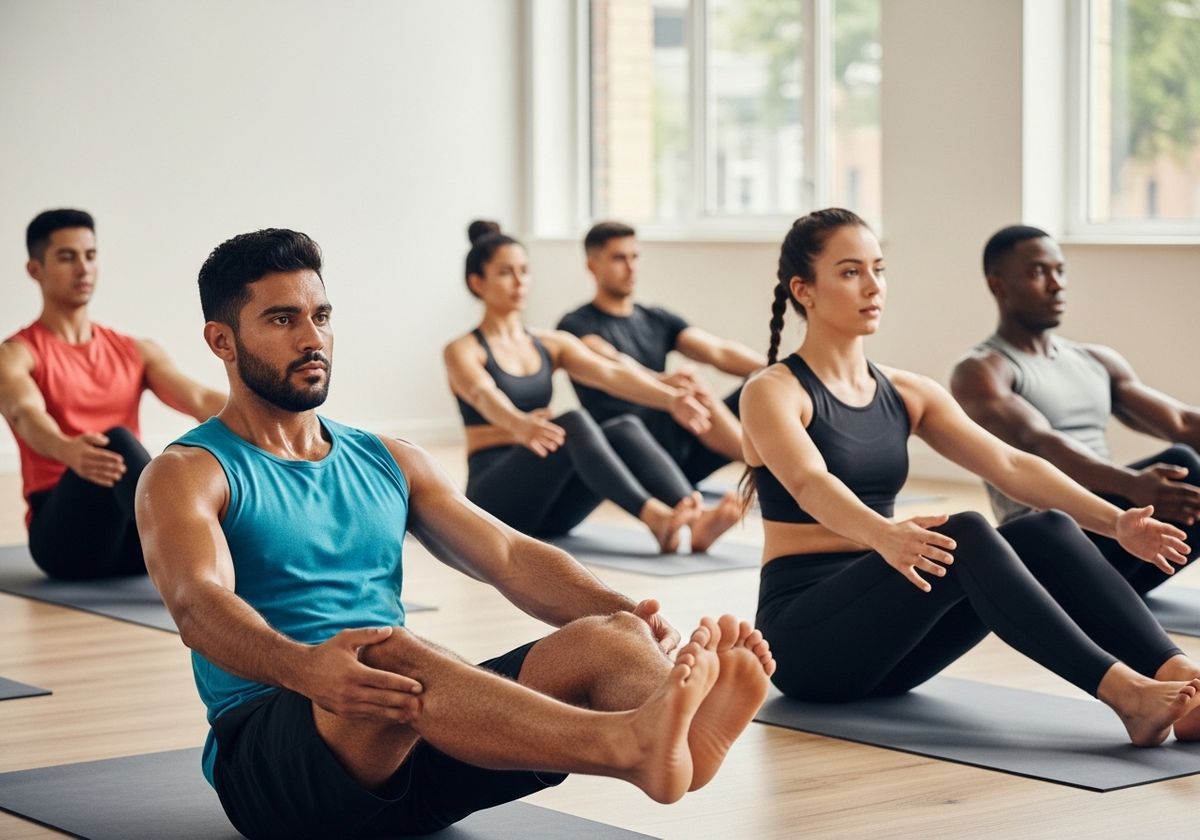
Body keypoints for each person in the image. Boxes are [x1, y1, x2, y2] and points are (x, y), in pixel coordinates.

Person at [135, 228, 774, 840]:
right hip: (279, 768)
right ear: (222, 341)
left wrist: (633, 614)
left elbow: (509, 555)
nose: (312, 338)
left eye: (321, 316)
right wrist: (306, 670)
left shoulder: (388, 458)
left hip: (411, 749)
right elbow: (197, 606)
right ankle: (628, 745)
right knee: (385, 653)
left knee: (611, 637)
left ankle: (675, 736)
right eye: (282, 320)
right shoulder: (189, 471)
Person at [740, 208, 1200, 747]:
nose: (872, 286)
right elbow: (808, 483)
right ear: (804, 290)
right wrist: (884, 534)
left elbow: (1010, 464)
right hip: (806, 645)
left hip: (895, 648)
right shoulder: (772, 391)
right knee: (966, 531)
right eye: (849, 272)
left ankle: (1181, 675)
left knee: (1046, 527)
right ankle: (1127, 695)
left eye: (878, 269)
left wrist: (1116, 522)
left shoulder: (908, 392)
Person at [445, 221, 741, 553]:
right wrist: (519, 424)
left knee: (623, 426)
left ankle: (693, 517)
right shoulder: (463, 350)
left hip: (553, 512)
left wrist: (671, 399)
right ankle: (656, 518)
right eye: (505, 273)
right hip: (494, 504)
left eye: (524, 271)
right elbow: (483, 395)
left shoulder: (551, 343)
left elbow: (610, 374)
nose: (519, 281)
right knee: (573, 421)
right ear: (477, 282)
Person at [950, 225, 1200, 594]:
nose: (1056, 285)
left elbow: (1181, 422)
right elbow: (1037, 442)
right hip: (1043, 542)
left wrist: (1133, 491)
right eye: (1038, 272)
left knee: (1188, 460)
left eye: (1060, 271)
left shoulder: (1095, 360)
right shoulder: (981, 370)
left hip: (1118, 535)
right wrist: (1131, 485)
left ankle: (1106, 596)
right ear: (998, 286)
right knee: (1185, 465)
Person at [0, 209, 224, 580]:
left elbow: (200, 400)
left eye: (90, 256)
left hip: (135, 539)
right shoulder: (15, 355)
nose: (83, 269)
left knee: (192, 454)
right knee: (116, 441)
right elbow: (25, 414)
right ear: (35, 269)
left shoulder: (135, 350)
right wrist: (67, 449)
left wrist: (282, 421)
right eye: (67, 257)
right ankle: (202, 570)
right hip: (64, 543)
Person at [557, 221, 765, 489]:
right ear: (592, 265)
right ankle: (770, 473)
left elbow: (719, 352)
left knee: (763, 384)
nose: (631, 267)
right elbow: (615, 367)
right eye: (619, 258)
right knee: (692, 386)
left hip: (684, 443)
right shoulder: (576, 325)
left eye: (635, 257)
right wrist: (668, 383)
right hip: (630, 456)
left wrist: (786, 369)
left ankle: (786, 467)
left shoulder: (656, 318)